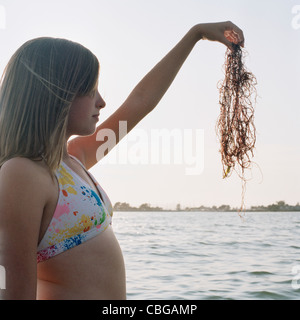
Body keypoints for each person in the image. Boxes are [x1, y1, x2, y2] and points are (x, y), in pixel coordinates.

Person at [0, 21, 244, 300]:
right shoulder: (22, 173)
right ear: (56, 93)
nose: (102, 102)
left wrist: (195, 35)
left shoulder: (74, 158)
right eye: (90, 90)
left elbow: (140, 101)